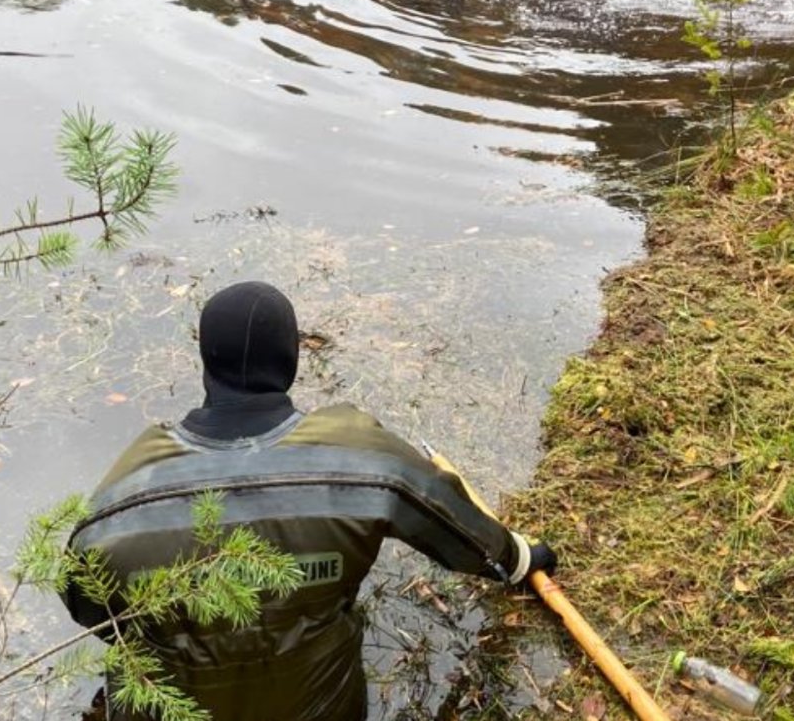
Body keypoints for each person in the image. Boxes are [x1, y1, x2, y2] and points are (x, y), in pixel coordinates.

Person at [62, 281, 558, 721]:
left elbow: (89, 609)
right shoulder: (358, 457)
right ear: (291, 361)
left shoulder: (121, 496)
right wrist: (518, 559)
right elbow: (456, 527)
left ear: (206, 361)